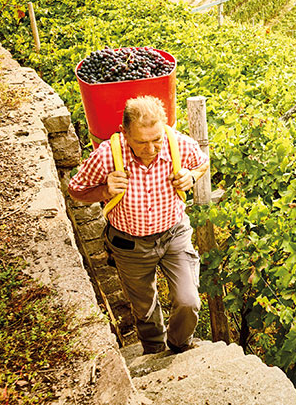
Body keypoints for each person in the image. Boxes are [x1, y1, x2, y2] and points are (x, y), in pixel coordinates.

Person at [68, 95, 210, 354]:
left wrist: (191, 175)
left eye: (156, 139)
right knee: (144, 309)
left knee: (188, 301)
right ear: (124, 133)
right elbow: (75, 190)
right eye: (141, 142)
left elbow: (202, 163)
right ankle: (154, 351)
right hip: (129, 245)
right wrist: (103, 191)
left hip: (173, 235)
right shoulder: (107, 156)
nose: (151, 148)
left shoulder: (176, 143)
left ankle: (179, 347)